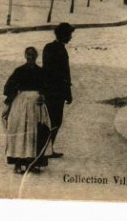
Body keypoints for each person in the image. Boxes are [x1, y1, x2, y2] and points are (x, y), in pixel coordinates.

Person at [3, 46, 51, 174]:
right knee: (20, 132)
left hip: (37, 105)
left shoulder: (41, 72)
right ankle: (17, 164)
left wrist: (43, 95)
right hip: (21, 104)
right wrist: (12, 98)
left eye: (33, 55)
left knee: (35, 133)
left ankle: (33, 163)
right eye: (28, 55)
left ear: (36, 57)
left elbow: (47, 87)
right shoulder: (19, 71)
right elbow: (8, 87)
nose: (30, 57)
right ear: (25, 56)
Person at [42, 22, 75, 158]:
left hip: (48, 89)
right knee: (56, 121)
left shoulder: (48, 47)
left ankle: (47, 148)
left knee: (49, 120)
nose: (71, 38)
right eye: (70, 35)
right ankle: (47, 149)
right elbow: (64, 75)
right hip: (57, 91)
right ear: (65, 35)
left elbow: (45, 69)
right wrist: (68, 94)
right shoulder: (61, 50)